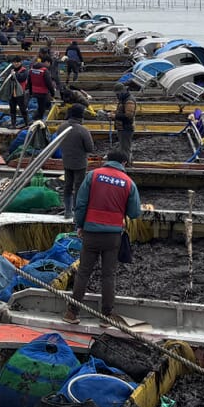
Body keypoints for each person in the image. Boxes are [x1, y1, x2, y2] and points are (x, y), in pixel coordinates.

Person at [63, 150, 141, 324]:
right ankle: (106, 316)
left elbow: (81, 203)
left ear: (107, 160)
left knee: (83, 272)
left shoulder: (93, 176)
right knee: (108, 275)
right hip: (113, 236)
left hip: (91, 232)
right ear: (124, 164)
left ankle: (71, 313)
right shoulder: (129, 183)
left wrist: (80, 225)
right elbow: (135, 212)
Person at [55, 103, 96, 217]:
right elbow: (90, 148)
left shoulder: (61, 127)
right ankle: (78, 212)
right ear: (80, 116)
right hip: (80, 163)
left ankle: (68, 211)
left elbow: (57, 143)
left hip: (66, 160)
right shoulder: (82, 130)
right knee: (79, 187)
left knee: (68, 186)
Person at [27, 58, 55, 124]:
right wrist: (52, 92)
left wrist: (31, 91)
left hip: (35, 91)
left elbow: (29, 82)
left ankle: (38, 117)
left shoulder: (31, 70)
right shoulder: (44, 71)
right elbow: (49, 83)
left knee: (41, 104)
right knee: (42, 106)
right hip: (43, 91)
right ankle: (39, 119)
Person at [113, 86, 137, 160]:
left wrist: (115, 116)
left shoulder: (129, 101)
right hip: (122, 127)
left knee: (125, 148)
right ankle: (126, 162)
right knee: (123, 146)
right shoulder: (123, 99)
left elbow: (129, 115)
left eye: (118, 93)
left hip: (126, 127)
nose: (117, 95)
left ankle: (127, 164)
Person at [6, 60, 29, 127]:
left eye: (17, 62)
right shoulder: (10, 70)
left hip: (20, 93)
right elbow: (7, 78)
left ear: (20, 62)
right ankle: (13, 124)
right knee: (12, 109)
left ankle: (26, 123)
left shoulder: (24, 70)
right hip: (12, 92)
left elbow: (22, 78)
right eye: (15, 62)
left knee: (23, 108)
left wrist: (15, 74)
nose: (16, 63)